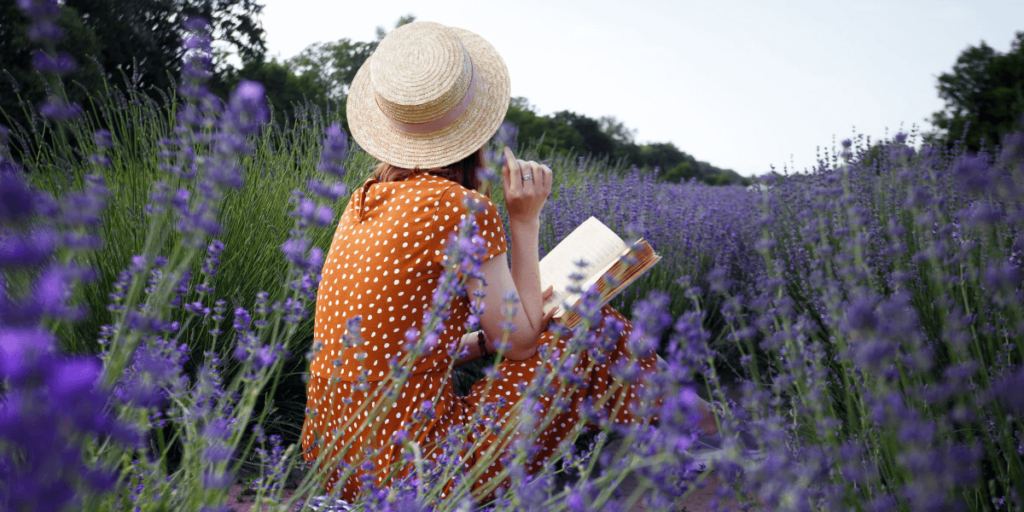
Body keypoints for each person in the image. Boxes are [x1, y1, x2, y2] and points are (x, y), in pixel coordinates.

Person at [300, 21, 722, 506]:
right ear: (475, 128)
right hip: (417, 471)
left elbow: (392, 350)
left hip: (336, 466)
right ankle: (707, 435)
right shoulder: (459, 209)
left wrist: (481, 341)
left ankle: (689, 433)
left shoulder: (363, 202)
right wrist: (524, 219)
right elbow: (519, 343)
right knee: (592, 325)